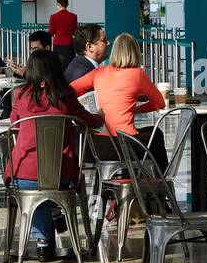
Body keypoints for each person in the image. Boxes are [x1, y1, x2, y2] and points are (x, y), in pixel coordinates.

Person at [7, 51, 106, 262]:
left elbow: (13, 121)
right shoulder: (65, 95)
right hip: (61, 174)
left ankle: (43, 241)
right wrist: (101, 115)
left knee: (38, 186)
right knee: (48, 183)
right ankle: (54, 220)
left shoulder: (20, 95)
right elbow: (89, 121)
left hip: (23, 175)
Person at [70, 32, 168, 172]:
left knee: (144, 134)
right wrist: (137, 109)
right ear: (135, 52)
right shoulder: (137, 74)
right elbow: (160, 102)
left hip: (98, 146)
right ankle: (160, 182)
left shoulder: (98, 73)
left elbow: (69, 91)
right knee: (155, 133)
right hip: (125, 145)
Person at [48, 0, 78, 69]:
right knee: (70, 66)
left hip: (57, 45)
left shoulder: (53, 17)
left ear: (57, 3)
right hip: (69, 45)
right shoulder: (73, 16)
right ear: (67, 3)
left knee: (57, 66)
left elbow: (51, 33)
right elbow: (75, 32)